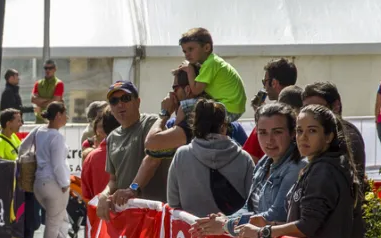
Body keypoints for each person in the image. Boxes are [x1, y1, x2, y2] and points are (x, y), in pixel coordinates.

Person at [237, 104, 365, 238]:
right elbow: (304, 222)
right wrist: (270, 224)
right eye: (299, 131)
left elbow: (307, 226)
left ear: (328, 136)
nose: (303, 137)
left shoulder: (323, 170)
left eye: (312, 131)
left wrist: (263, 231)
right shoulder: (316, 166)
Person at [194, 101, 304, 237]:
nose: (269, 140)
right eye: (262, 133)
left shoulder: (297, 167)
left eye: (277, 132)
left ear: (292, 133)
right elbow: (248, 207)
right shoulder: (264, 161)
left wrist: (225, 224)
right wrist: (224, 220)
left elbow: (274, 216)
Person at [166, 100, 254, 218]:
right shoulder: (244, 158)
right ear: (224, 127)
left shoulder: (181, 155)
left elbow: (173, 202)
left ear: (195, 124)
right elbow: (253, 203)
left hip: (190, 232)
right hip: (231, 233)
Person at [17, 102, 71, 238]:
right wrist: (64, 183)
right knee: (54, 221)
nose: (67, 117)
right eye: (65, 113)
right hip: (55, 183)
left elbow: (22, 148)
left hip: (38, 184)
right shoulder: (57, 136)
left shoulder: (38, 130)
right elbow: (57, 164)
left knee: (62, 217)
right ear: (58, 116)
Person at [98, 81, 163, 218]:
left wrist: (132, 189)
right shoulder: (112, 138)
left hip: (153, 215)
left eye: (126, 98)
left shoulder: (151, 123)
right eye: (114, 101)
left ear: (137, 102)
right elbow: (113, 180)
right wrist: (104, 194)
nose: (120, 104)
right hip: (128, 217)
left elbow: (152, 161)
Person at [177, 28, 247, 122]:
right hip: (234, 107)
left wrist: (190, 70)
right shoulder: (213, 61)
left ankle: (175, 131)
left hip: (228, 109)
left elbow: (195, 90)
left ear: (206, 48)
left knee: (183, 107)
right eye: (184, 51)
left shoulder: (210, 64)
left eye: (191, 49)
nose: (187, 55)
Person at [301, 81, 366, 182]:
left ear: (336, 106)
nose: (309, 114)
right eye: (305, 108)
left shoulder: (348, 136)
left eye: (316, 108)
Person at [244, 58, 297, 161]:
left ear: (274, 83)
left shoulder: (267, 123)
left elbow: (249, 160)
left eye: (264, 82)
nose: (264, 87)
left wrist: (262, 120)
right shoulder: (305, 115)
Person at [81, 107, 119, 202]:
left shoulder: (91, 156)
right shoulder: (134, 152)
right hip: (129, 212)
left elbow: (86, 192)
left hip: (97, 210)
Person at [31, 59, 63, 124]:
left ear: (55, 69)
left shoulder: (59, 83)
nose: (47, 70)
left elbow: (55, 102)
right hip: (39, 119)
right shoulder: (38, 83)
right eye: (46, 68)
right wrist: (49, 100)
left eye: (50, 68)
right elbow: (33, 99)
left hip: (53, 120)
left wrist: (40, 103)